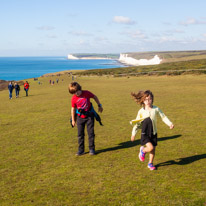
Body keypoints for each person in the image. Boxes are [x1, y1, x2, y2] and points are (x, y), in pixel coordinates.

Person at [130, 90, 174, 170]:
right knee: (150, 148)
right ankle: (143, 150)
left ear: (152, 99)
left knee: (153, 150)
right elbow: (137, 123)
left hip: (154, 133)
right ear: (143, 100)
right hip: (145, 134)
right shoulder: (141, 111)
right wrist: (133, 134)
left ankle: (150, 163)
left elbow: (163, 117)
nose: (148, 101)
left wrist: (170, 123)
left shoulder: (156, 109)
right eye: (146, 99)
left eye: (150, 99)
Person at [69, 82, 103, 156]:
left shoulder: (86, 93)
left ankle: (92, 149)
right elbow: (73, 109)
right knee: (80, 134)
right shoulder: (74, 98)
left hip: (89, 117)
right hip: (80, 118)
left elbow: (95, 97)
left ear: (79, 88)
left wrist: (99, 105)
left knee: (91, 133)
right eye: (74, 92)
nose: (76, 93)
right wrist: (73, 120)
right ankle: (81, 150)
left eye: (77, 91)